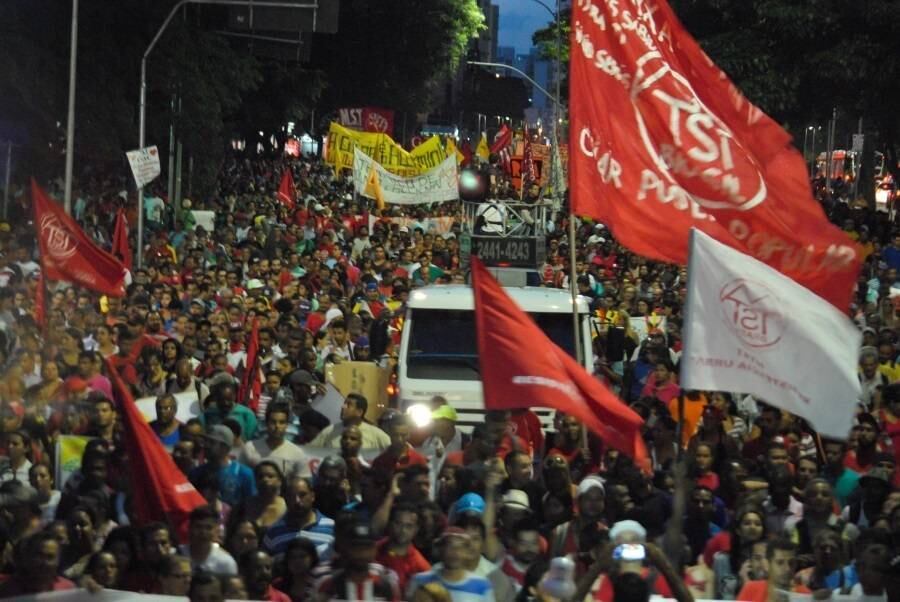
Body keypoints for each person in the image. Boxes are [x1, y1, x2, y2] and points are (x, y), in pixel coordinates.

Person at [407, 527, 494, 601]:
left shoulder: (482, 586)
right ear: (440, 549)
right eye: (449, 545)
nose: (455, 552)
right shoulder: (419, 581)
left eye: (460, 547)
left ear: (467, 552)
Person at [262, 475, 335, 560]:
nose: (297, 501)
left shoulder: (332, 528)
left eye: (302, 495)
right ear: (285, 499)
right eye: (291, 496)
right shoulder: (273, 533)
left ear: (312, 496)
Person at [190, 424, 257, 507]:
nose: (206, 446)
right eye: (205, 441)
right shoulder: (196, 473)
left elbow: (251, 506)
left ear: (224, 447)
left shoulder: (244, 474)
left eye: (211, 442)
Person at [239, 402, 311, 478]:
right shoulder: (250, 448)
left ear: (287, 425)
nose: (277, 426)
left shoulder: (297, 454)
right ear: (266, 423)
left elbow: (303, 484)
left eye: (281, 422)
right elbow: (240, 479)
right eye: (273, 422)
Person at [375, 502, 431, 592]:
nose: (403, 530)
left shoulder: (421, 567)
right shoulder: (371, 551)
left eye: (409, 526)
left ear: (416, 529)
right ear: (390, 524)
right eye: (398, 523)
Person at [736, 538, 812, 601]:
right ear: (768, 564)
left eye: (791, 563)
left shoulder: (805, 594)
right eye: (780, 563)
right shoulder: (751, 589)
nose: (787, 569)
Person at [308, 393, 391, 450]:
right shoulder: (330, 431)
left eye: (348, 405)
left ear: (359, 412)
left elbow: (391, 450)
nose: (343, 407)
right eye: (344, 404)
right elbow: (311, 450)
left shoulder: (375, 434)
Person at [179, 505, 238, 576]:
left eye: (208, 528)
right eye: (198, 527)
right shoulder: (178, 554)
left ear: (217, 531)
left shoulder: (226, 563)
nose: (203, 532)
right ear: (189, 528)